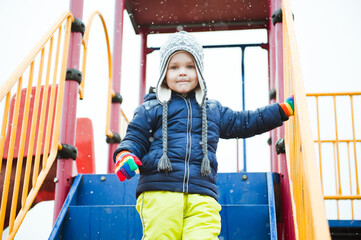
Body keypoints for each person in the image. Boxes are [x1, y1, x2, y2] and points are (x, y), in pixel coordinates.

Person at [113, 31, 294, 239]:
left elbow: (245, 122)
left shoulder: (212, 110)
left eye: (190, 66)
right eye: (174, 67)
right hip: (160, 192)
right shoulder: (151, 108)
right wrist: (125, 155)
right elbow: (135, 138)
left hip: (202, 194)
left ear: (199, 71)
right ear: (164, 72)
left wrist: (280, 111)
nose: (182, 72)